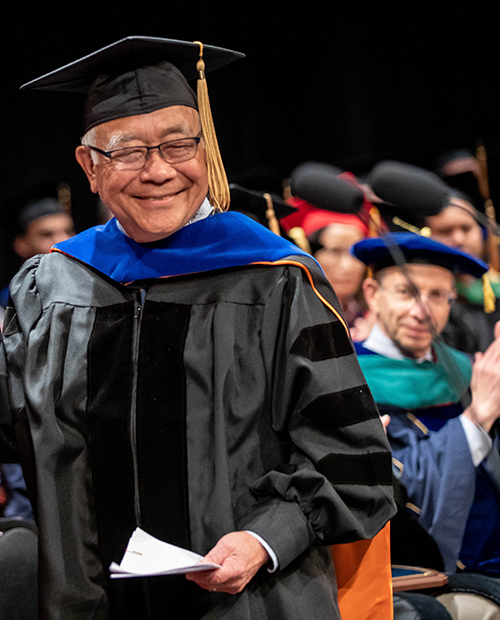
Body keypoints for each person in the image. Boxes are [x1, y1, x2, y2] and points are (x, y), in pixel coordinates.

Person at [0, 36, 394, 619]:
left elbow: (354, 461)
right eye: (128, 151)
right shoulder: (48, 289)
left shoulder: (275, 281)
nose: (159, 170)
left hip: (250, 603)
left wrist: (265, 539)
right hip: (87, 602)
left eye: (178, 144)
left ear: (204, 148)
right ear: (89, 166)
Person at [351, 232, 500, 618]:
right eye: (407, 292)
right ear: (372, 293)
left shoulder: (468, 371)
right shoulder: (348, 377)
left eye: (438, 296)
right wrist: (477, 417)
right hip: (426, 565)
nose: (423, 311)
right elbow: (403, 486)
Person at [425, 189, 500, 355]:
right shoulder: (424, 301)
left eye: (466, 229)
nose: (458, 239)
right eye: (445, 231)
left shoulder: (495, 292)